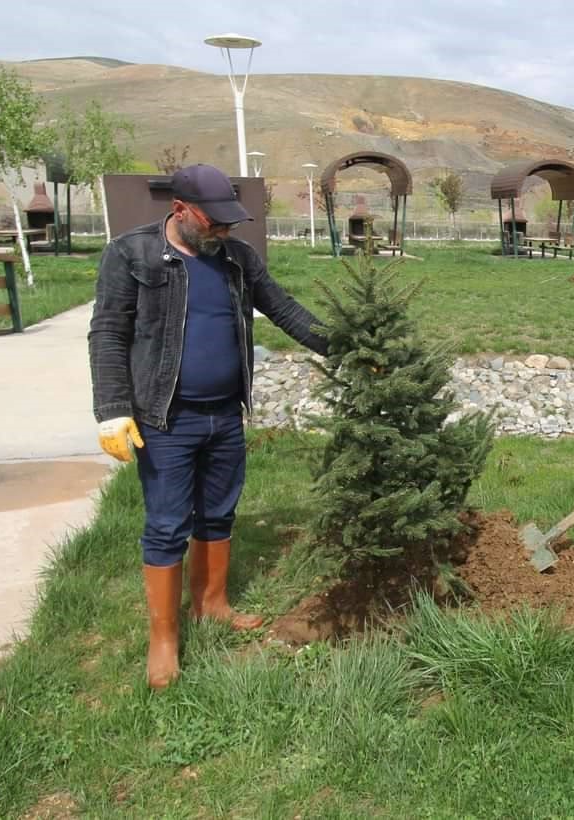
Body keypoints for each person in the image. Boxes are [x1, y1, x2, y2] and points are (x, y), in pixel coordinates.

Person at [89, 164, 329, 690]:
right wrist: (112, 408)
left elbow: (284, 309)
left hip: (225, 413)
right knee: (168, 523)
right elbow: (107, 333)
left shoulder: (237, 261)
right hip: (166, 418)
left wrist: (345, 344)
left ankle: (213, 604)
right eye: (214, 221)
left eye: (229, 222)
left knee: (219, 512)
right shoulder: (133, 255)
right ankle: (164, 638)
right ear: (180, 210)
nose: (224, 231)